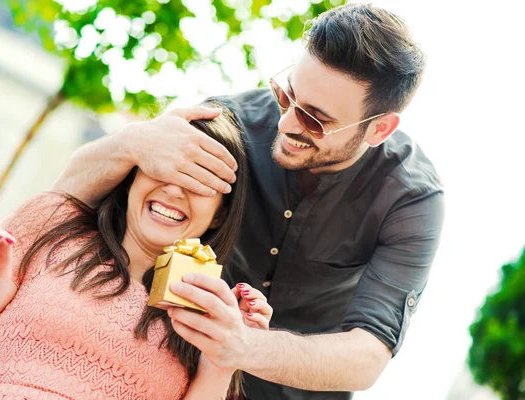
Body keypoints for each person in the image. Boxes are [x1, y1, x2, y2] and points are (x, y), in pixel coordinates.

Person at [52, 3, 445, 400]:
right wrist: (132, 142)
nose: (287, 122)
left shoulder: (412, 199)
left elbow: (367, 357)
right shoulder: (230, 120)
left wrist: (241, 345)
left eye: (316, 120)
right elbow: (66, 197)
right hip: (175, 378)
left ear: (379, 128)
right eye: (287, 94)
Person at [0, 104, 274, 399]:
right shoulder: (51, 224)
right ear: (134, 173)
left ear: (221, 214)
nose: (172, 189)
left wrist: (221, 363)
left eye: (198, 183)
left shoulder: (210, 316)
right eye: (164, 167)